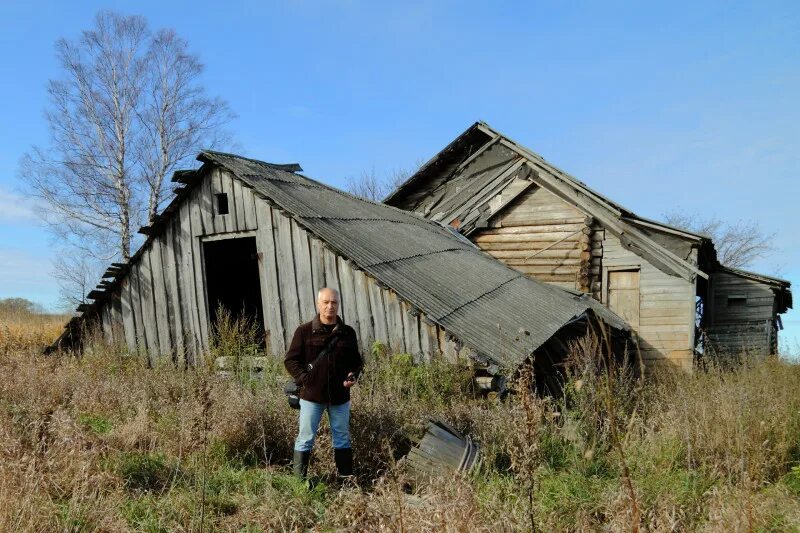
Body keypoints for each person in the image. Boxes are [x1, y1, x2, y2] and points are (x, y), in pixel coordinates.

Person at [284, 287, 363, 479]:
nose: (330, 306)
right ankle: (299, 483)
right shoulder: (304, 331)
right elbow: (290, 360)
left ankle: (346, 481)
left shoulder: (347, 333)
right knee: (305, 439)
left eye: (334, 302)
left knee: (342, 439)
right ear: (318, 304)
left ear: (338, 304)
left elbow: (356, 362)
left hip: (340, 397)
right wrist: (305, 380)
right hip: (312, 397)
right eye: (326, 302)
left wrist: (353, 375)